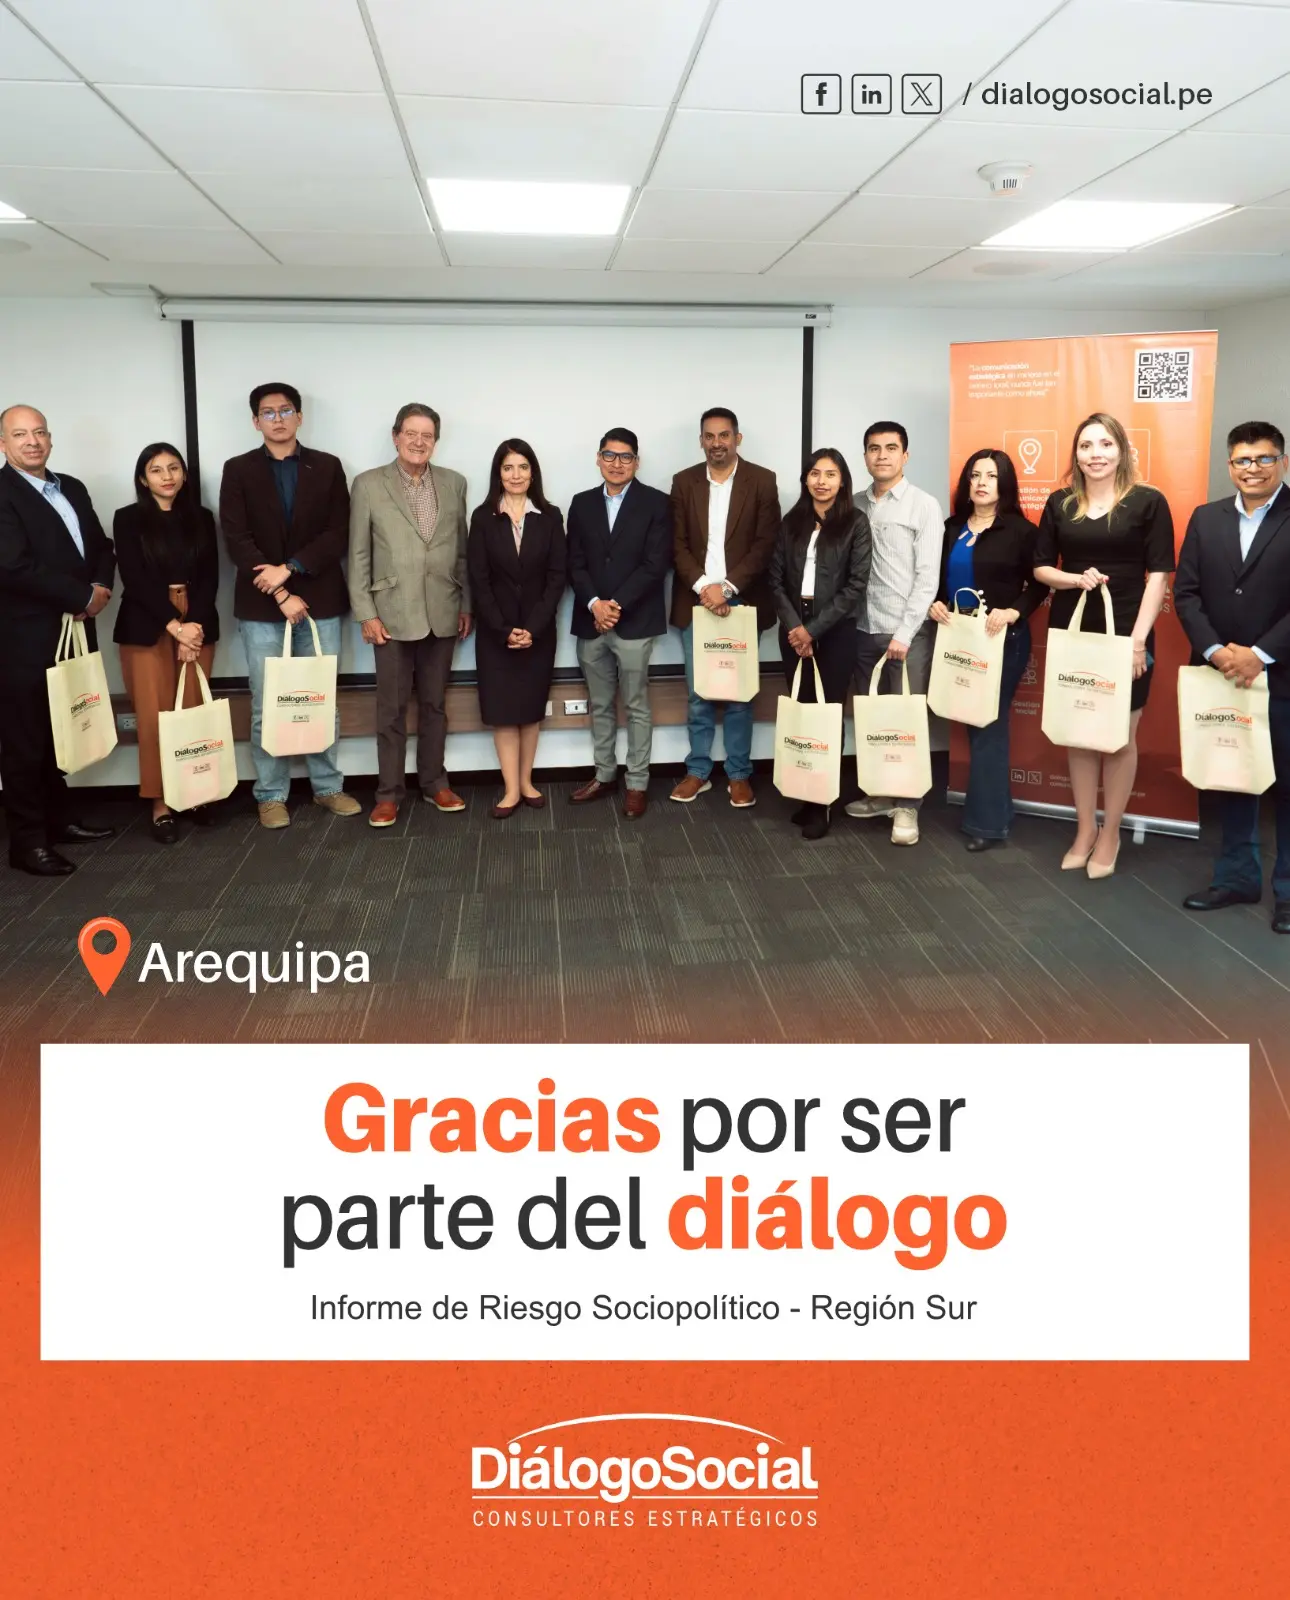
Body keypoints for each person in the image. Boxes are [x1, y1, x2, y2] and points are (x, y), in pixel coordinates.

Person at [1033, 411, 1174, 879]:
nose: (1096, 454)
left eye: (1105, 444)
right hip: (1073, 631)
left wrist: (1137, 642)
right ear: (1076, 454)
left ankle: (1110, 833)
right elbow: (1041, 568)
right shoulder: (1060, 503)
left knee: (1118, 738)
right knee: (1078, 732)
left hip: (1127, 633)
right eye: (1086, 446)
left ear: (1122, 451)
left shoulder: (1148, 502)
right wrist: (1075, 578)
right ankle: (1084, 830)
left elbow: (1159, 576)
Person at [219, 382, 360, 828]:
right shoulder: (237, 470)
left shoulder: (328, 466)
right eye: (268, 412)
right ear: (255, 421)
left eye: (285, 411)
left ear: (300, 416)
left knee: (320, 699)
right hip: (262, 606)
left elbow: (339, 532)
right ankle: (271, 794)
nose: (277, 419)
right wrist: (280, 589)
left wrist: (292, 568)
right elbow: (236, 538)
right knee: (268, 703)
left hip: (320, 600)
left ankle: (328, 787)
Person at [1175, 421, 1290, 934]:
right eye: (1243, 460)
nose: (1253, 469)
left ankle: (1288, 892)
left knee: (1287, 785)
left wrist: (1261, 654)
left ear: (1283, 462)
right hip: (1221, 674)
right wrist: (1217, 651)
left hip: (1281, 673)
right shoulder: (1207, 518)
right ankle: (1237, 877)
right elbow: (1186, 593)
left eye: (1264, 459)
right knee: (1234, 774)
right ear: (1230, 466)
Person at [0, 404, 116, 876]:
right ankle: (27, 843)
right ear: (3, 444)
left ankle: (58, 820)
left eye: (40, 432)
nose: (32, 441)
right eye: (20, 434)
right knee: (24, 740)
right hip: (22, 637)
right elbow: (11, 565)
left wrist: (100, 588)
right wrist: (81, 595)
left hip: (75, 630)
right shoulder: (2, 493)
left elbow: (101, 546)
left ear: (50, 439)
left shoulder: (72, 487)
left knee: (59, 730)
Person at [348, 402, 472, 827]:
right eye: (411, 433)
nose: (419, 442)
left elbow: (462, 550)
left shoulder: (454, 483)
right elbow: (358, 555)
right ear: (396, 436)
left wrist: (466, 603)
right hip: (390, 615)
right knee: (392, 710)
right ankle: (388, 793)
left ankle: (435, 783)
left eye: (427, 435)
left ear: (436, 441)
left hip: (443, 610)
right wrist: (366, 613)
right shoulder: (368, 485)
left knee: (435, 705)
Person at [928, 449, 1045, 852]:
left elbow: (1039, 585)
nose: (981, 483)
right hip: (959, 638)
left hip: (1001, 641)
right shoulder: (951, 527)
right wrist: (935, 602)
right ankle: (999, 811)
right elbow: (937, 580)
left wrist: (1014, 611)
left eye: (991, 476)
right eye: (975, 475)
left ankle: (988, 824)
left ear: (1005, 484)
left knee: (988, 727)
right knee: (976, 725)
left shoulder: (1021, 531)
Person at [668, 407, 780, 809]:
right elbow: (676, 543)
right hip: (696, 602)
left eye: (724, 435)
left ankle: (738, 774)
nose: (717, 443)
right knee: (698, 693)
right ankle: (698, 771)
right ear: (701, 440)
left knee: (739, 695)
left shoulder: (762, 480)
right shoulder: (683, 482)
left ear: (737, 438)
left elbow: (766, 544)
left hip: (742, 602)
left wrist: (727, 588)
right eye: (709, 436)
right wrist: (705, 588)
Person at [113, 443, 220, 844]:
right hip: (147, 623)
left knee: (193, 712)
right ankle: (160, 802)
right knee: (155, 717)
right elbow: (134, 579)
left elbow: (210, 576)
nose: (167, 476)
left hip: (197, 621)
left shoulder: (201, 517)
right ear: (143, 479)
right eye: (156, 470)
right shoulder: (127, 518)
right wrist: (175, 628)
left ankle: (194, 793)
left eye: (174, 468)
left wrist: (192, 626)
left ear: (184, 475)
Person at [843, 421, 944, 846]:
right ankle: (881, 792)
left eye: (890, 448)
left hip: (907, 634)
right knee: (873, 720)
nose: (881, 455)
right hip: (862, 630)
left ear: (905, 455)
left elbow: (927, 578)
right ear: (865, 456)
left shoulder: (923, 506)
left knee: (906, 723)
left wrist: (904, 633)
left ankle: (907, 805)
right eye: (873, 448)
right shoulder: (852, 505)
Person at [566, 428, 672, 819]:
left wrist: (616, 606)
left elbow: (655, 564)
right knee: (599, 704)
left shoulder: (657, 503)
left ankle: (637, 783)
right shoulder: (581, 504)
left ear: (636, 463)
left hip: (635, 623)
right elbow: (574, 562)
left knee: (636, 704)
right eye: (609, 455)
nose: (617, 463)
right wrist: (595, 604)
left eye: (625, 457)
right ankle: (605, 775)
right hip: (590, 620)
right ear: (598, 459)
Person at [768, 448, 872, 840]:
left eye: (830, 474)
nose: (822, 481)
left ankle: (823, 802)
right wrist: (796, 627)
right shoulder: (791, 521)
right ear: (806, 479)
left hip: (835, 631)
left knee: (826, 716)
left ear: (842, 481)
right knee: (802, 712)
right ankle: (806, 793)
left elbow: (855, 586)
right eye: (815, 473)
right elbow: (775, 579)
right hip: (793, 629)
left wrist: (813, 631)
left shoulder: (855, 523)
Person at [466, 439, 566, 818]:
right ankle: (510, 789)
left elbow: (557, 577)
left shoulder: (550, 516)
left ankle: (527, 782)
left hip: (539, 633)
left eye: (523, 467)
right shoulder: (483, 517)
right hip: (497, 634)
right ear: (498, 473)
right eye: (508, 468)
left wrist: (532, 628)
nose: (516, 475)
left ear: (533, 473)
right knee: (504, 711)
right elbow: (479, 580)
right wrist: (503, 628)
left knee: (529, 709)